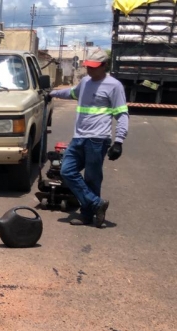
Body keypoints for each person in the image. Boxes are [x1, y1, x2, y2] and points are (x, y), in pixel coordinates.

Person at [47, 49, 128, 228]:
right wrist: (52, 93)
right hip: (79, 138)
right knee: (66, 171)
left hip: (98, 140)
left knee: (92, 179)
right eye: (88, 67)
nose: (89, 71)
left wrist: (119, 141)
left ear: (104, 65)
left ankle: (87, 216)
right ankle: (96, 203)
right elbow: (71, 93)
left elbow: (122, 115)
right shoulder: (85, 82)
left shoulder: (114, 86)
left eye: (94, 67)